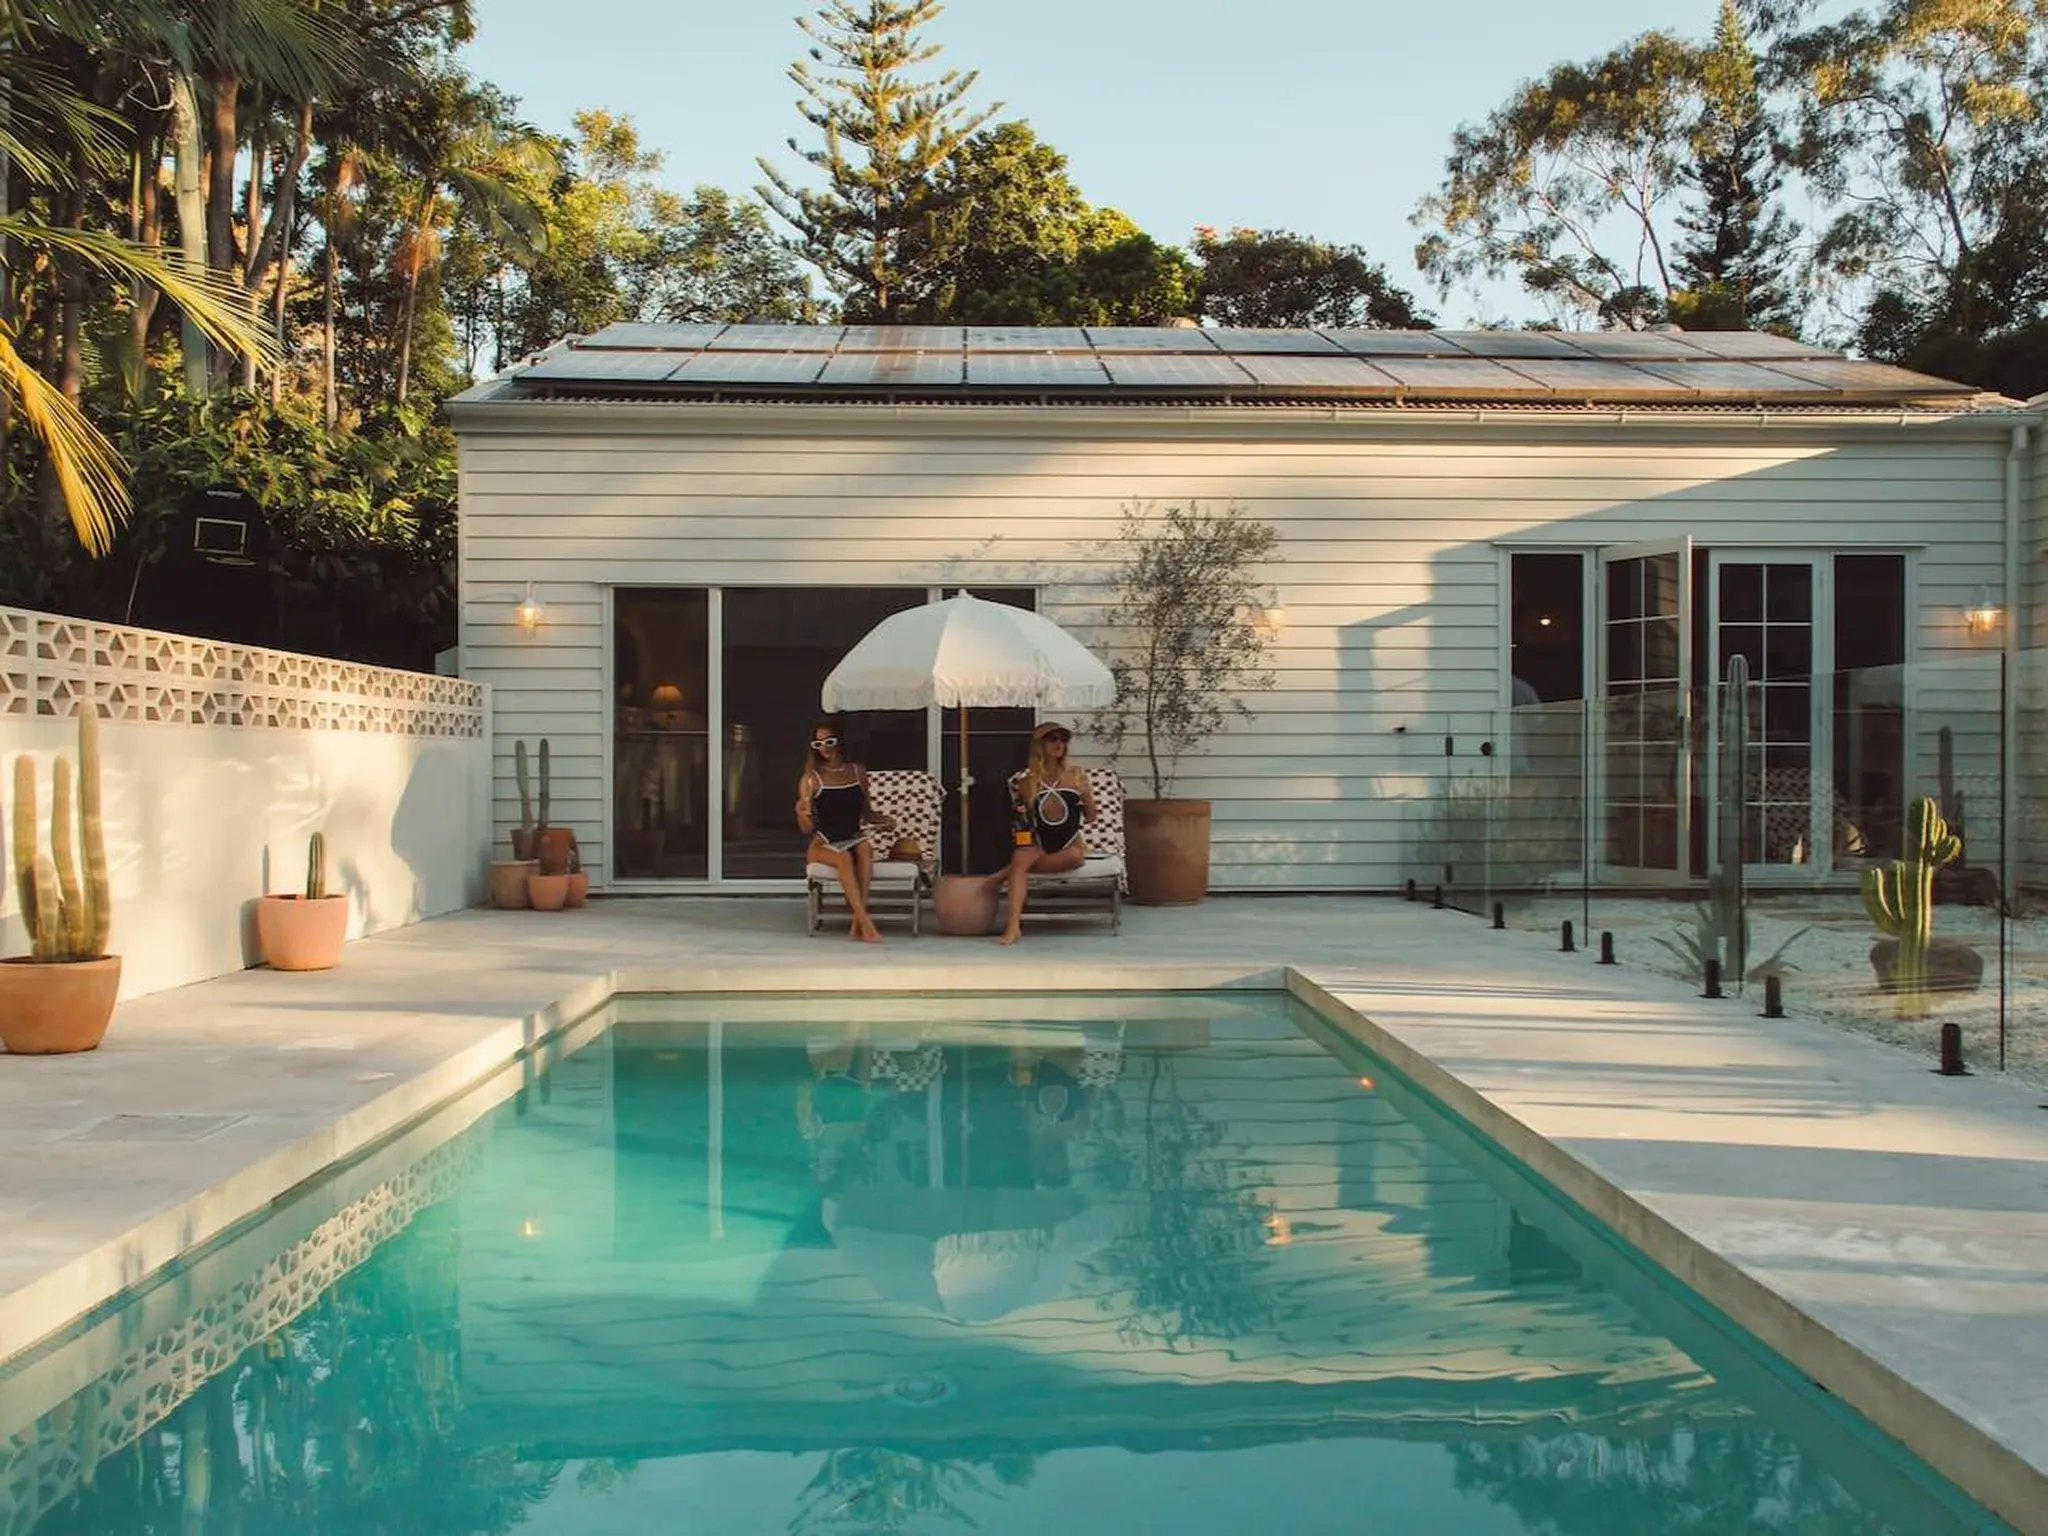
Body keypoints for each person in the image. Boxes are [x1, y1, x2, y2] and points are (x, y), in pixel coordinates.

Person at [985, 721, 1097, 946]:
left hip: (1069, 847)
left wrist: (1086, 797)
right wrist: (1023, 839)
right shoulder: (1027, 782)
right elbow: (1025, 821)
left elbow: (1091, 817)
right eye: (1052, 739)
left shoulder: (1076, 775)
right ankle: (1013, 926)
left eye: (1063, 740)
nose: (1059, 744)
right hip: (1041, 844)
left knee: (1064, 858)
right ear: (1039, 745)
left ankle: (999, 876)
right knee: (1021, 858)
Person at [796, 720, 893, 943]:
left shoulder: (857, 772)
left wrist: (886, 820)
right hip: (823, 844)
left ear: (840, 742)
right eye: (818, 743)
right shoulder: (811, 779)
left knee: (865, 846)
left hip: (852, 837)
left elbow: (867, 815)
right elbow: (806, 829)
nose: (824, 747)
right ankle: (865, 923)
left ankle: (856, 924)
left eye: (829, 741)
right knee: (843, 858)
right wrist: (802, 814)